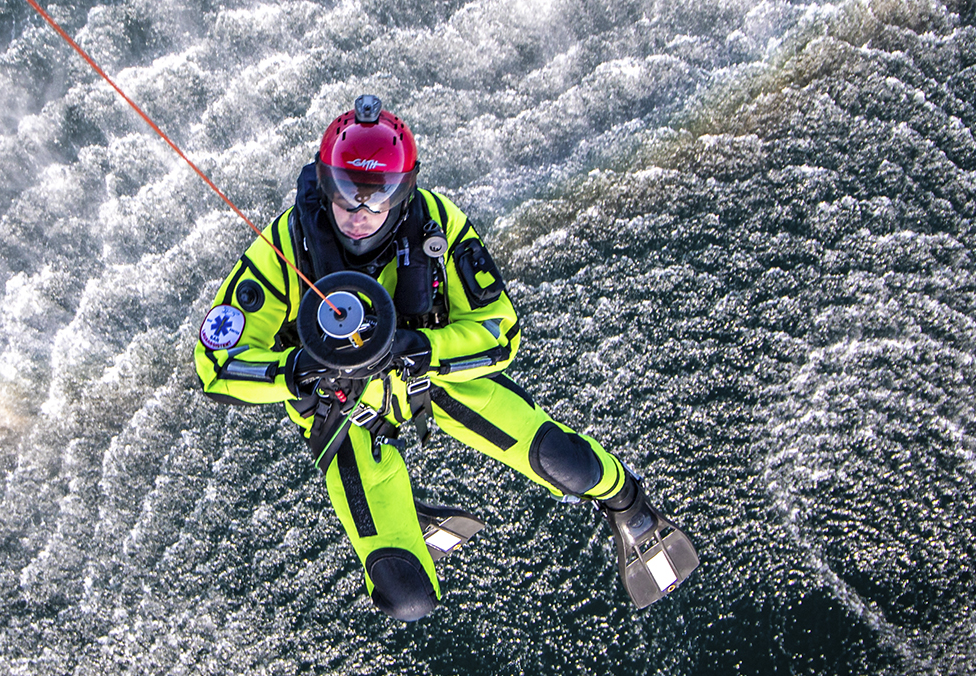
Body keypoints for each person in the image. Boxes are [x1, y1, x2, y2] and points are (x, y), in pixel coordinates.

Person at [192, 95, 697, 621]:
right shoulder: (283, 247)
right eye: (344, 193)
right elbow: (215, 363)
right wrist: (293, 370)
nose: (359, 215)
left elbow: (501, 329)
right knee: (407, 597)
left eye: (378, 197)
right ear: (324, 183)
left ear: (404, 191)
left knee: (567, 463)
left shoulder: (437, 226)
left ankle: (629, 507)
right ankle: (404, 517)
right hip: (338, 413)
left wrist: (425, 350)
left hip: (429, 380)